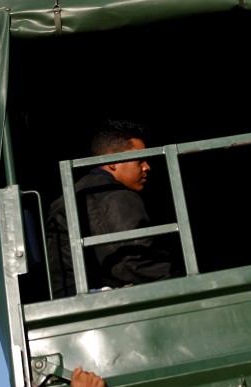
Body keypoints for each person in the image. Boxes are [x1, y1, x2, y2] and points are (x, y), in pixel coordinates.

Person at [46, 120, 173, 296]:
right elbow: (129, 261)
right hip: (95, 297)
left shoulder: (77, 192)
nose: (147, 167)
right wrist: (179, 281)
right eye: (140, 160)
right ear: (112, 161)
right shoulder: (111, 193)